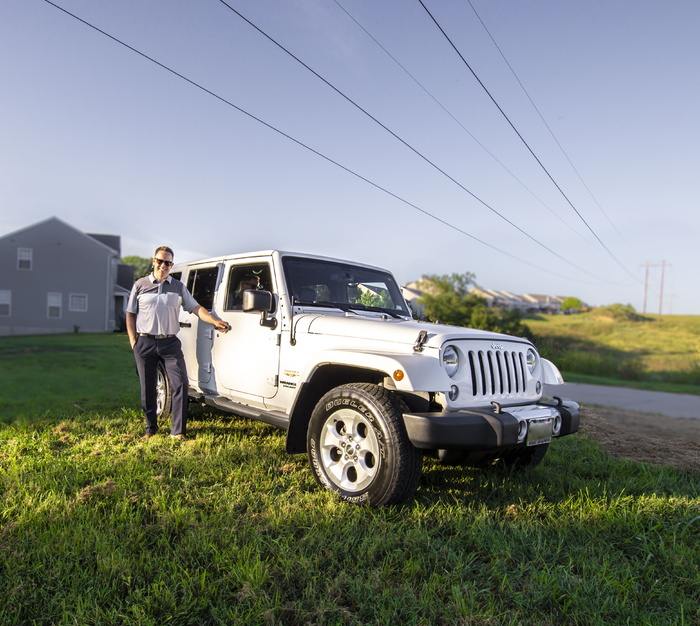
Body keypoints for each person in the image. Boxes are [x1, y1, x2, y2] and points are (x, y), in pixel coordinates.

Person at [126, 246, 230, 440]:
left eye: (168, 263)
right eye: (160, 261)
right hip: (145, 342)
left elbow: (196, 307)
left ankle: (178, 431)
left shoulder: (178, 287)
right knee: (148, 387)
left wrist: (214, 321)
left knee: (180, 383)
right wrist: (134, 341)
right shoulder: (140, 285)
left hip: (170, 343)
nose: (163, 265)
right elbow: (130, 313)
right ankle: (150, 428)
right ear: (153, 261)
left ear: (171, 265)